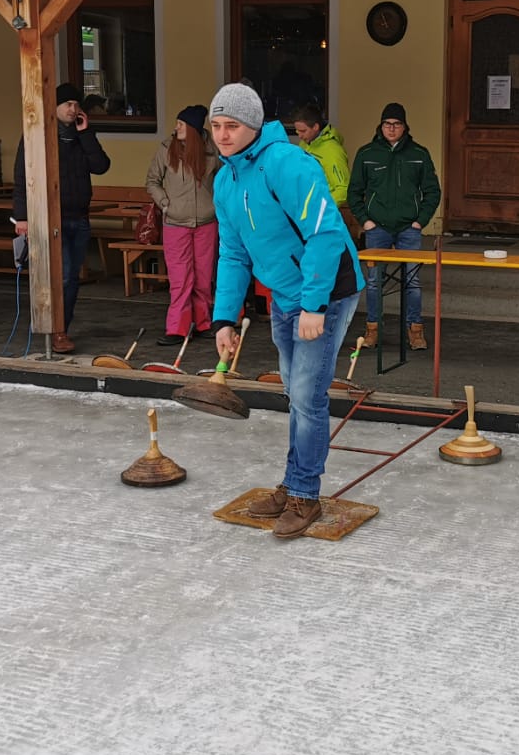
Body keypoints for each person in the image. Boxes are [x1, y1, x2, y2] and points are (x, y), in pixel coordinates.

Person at [207, 83, 365, 540]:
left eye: (232, 126)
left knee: (308, 395)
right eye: (216, 126)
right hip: (284, 294)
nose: (223, 135)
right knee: (295, 393)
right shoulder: (225, 180)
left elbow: (324, 234)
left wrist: (314, 305)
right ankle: (294, 482)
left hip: (327, 290)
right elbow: (233, 254)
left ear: (254, 125)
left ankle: (304, 494)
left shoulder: (289, 164)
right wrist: (224, 318)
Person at [12, 81, 112, 354]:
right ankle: (56, 330)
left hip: (79, 217)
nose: (73, 108)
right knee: (64, 275)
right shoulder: (38, 135)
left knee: (72, 277)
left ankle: (61, 326)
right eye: (67, 104)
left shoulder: (81, 135)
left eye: (76, 104)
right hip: (51, 218)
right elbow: (22, 176)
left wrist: (86, 133)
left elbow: (101, 166)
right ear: (54, 107)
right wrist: (22, 216)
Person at [347, 102, 440, 349]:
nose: (391, 128)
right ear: (380, 126)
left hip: (409, 228)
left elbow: (433, 191)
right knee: (374, 281)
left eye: (397, 124)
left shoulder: (419, 154)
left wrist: (420, 221)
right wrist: (365, 221)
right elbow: (354, 192)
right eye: (387, 124)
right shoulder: (367, 154)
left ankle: (415, 331)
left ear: (405, 127)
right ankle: (372, 330)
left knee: (413, 282)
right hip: (377, 228)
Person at [146, 104, 218, 346]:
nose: (176, 127)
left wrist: (218, 205)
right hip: (175, 223)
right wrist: (165, 203)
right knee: (180, 279)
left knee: (203, 277)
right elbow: (152, 181)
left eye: (181, 124)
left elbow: (226, 179)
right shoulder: (167, 148)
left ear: (194, 129)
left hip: (207, 222)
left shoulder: (213, 150)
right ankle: (177, 328)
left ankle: (203, 323)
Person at [292, 104, 351, 210]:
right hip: (304, 207)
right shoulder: (305, 144)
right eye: (297, 131)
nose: (299, 136)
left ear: (315, 127)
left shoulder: (333, 151)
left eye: (303, 131)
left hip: (321, 212)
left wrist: (320, 208)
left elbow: (343, 189)